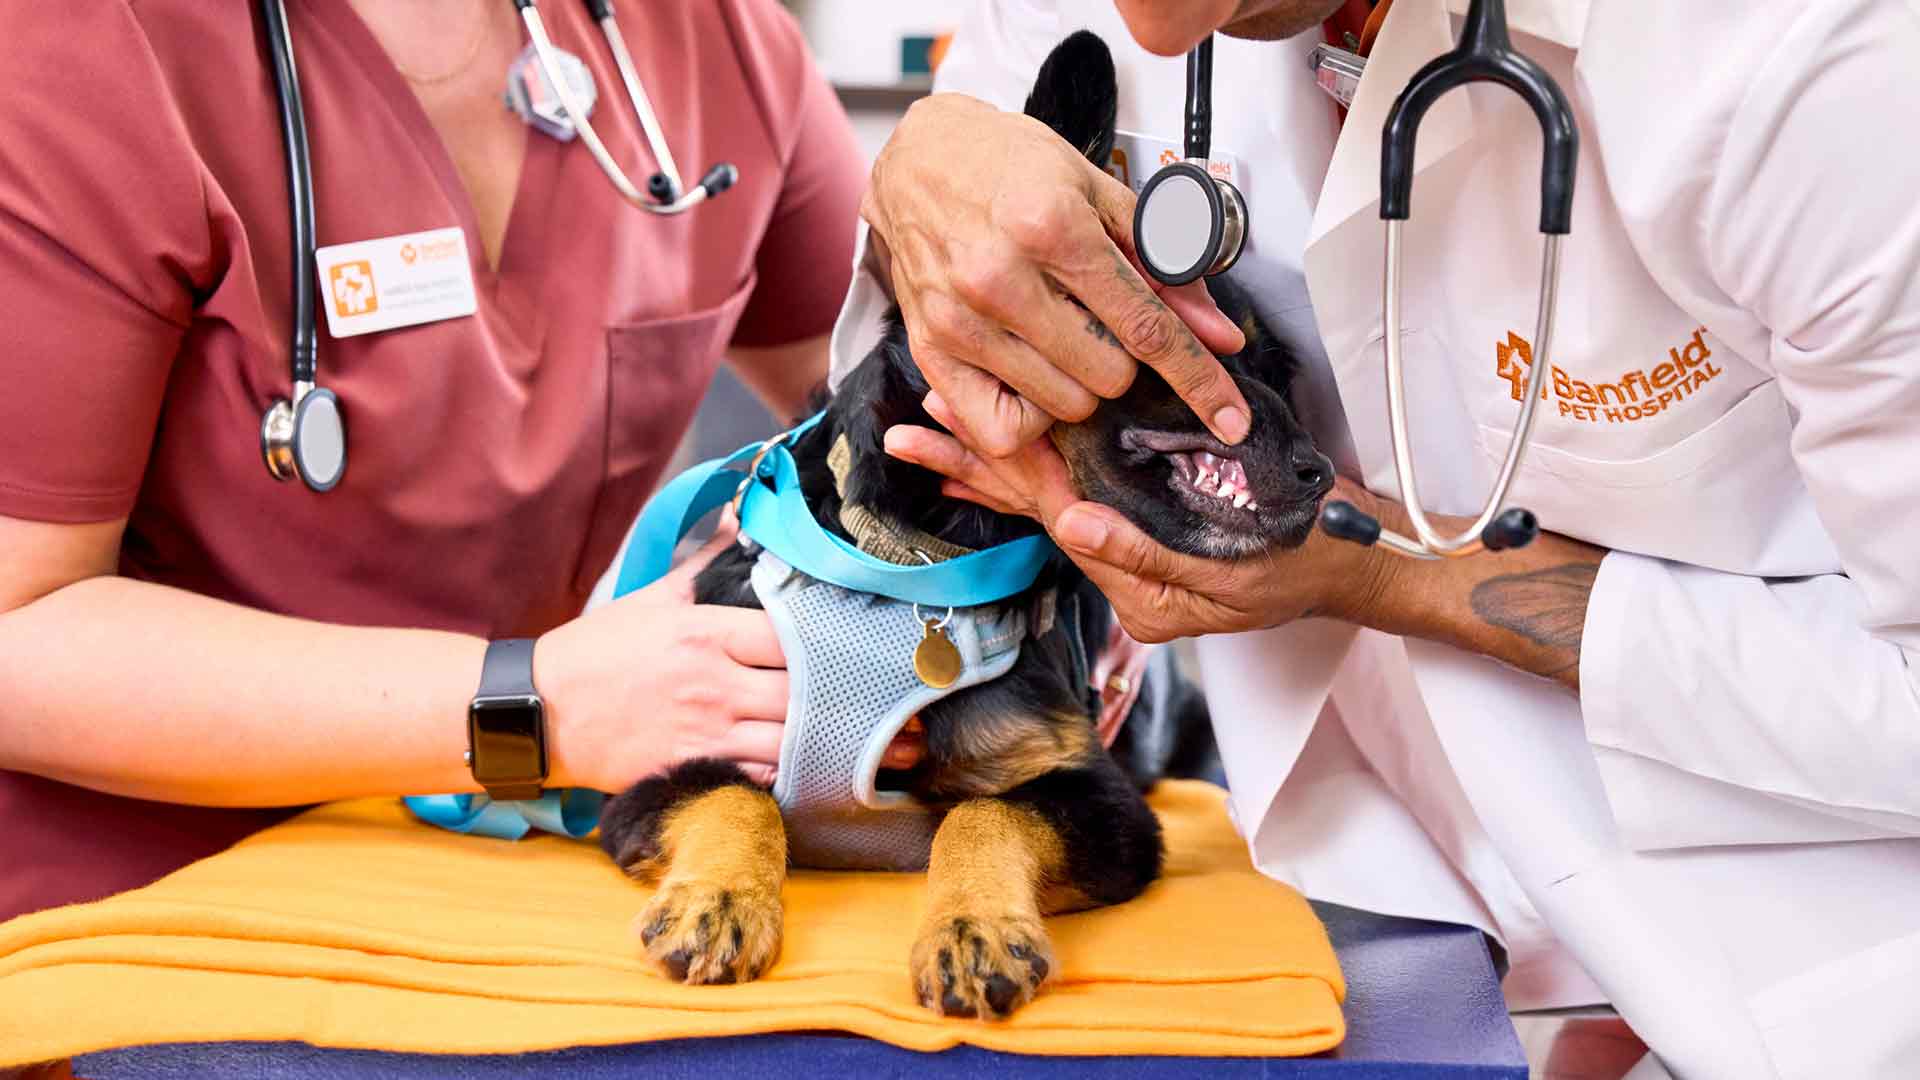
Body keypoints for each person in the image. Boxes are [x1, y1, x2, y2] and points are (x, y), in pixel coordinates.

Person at [844, 1, 1920, 1076]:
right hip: (1354, 900)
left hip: (1804, 952)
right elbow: (915, 364)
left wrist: (1385, 574)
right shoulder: (1065, 16)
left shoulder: (1813, 59)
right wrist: (912, 185)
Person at [0, 0, 877, 922]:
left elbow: (895, 411)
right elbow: (18, 629)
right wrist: (539, 703)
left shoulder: (713, 40)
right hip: (141, 905)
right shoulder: (87, 45)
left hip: (516, 868)